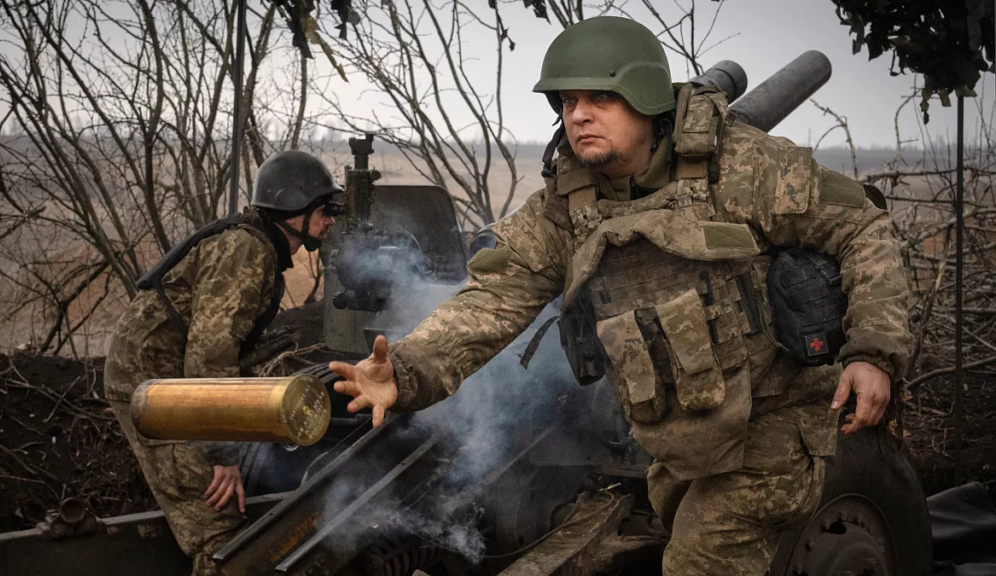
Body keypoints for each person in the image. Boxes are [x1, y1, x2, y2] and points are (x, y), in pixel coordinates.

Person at [328, 16, 910, 576]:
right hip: (684, 440)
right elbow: (489, 302)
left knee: (698, 561)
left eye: (599, 99)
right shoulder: (566, 208)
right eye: (566, 102)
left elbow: (862, 227)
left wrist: (873, 352)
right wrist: (403, 371)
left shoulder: (742, 166)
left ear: (646, 98)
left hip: (775, 421)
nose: (578, 116)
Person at [104, 150, 342, 576]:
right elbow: (208, 358)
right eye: (323, 212)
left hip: (172, 380)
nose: (329, 223)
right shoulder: (246, 250)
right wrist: (222, 455)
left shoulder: (256, 246)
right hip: (155, 391)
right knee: (219, 532)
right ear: (292, 209)